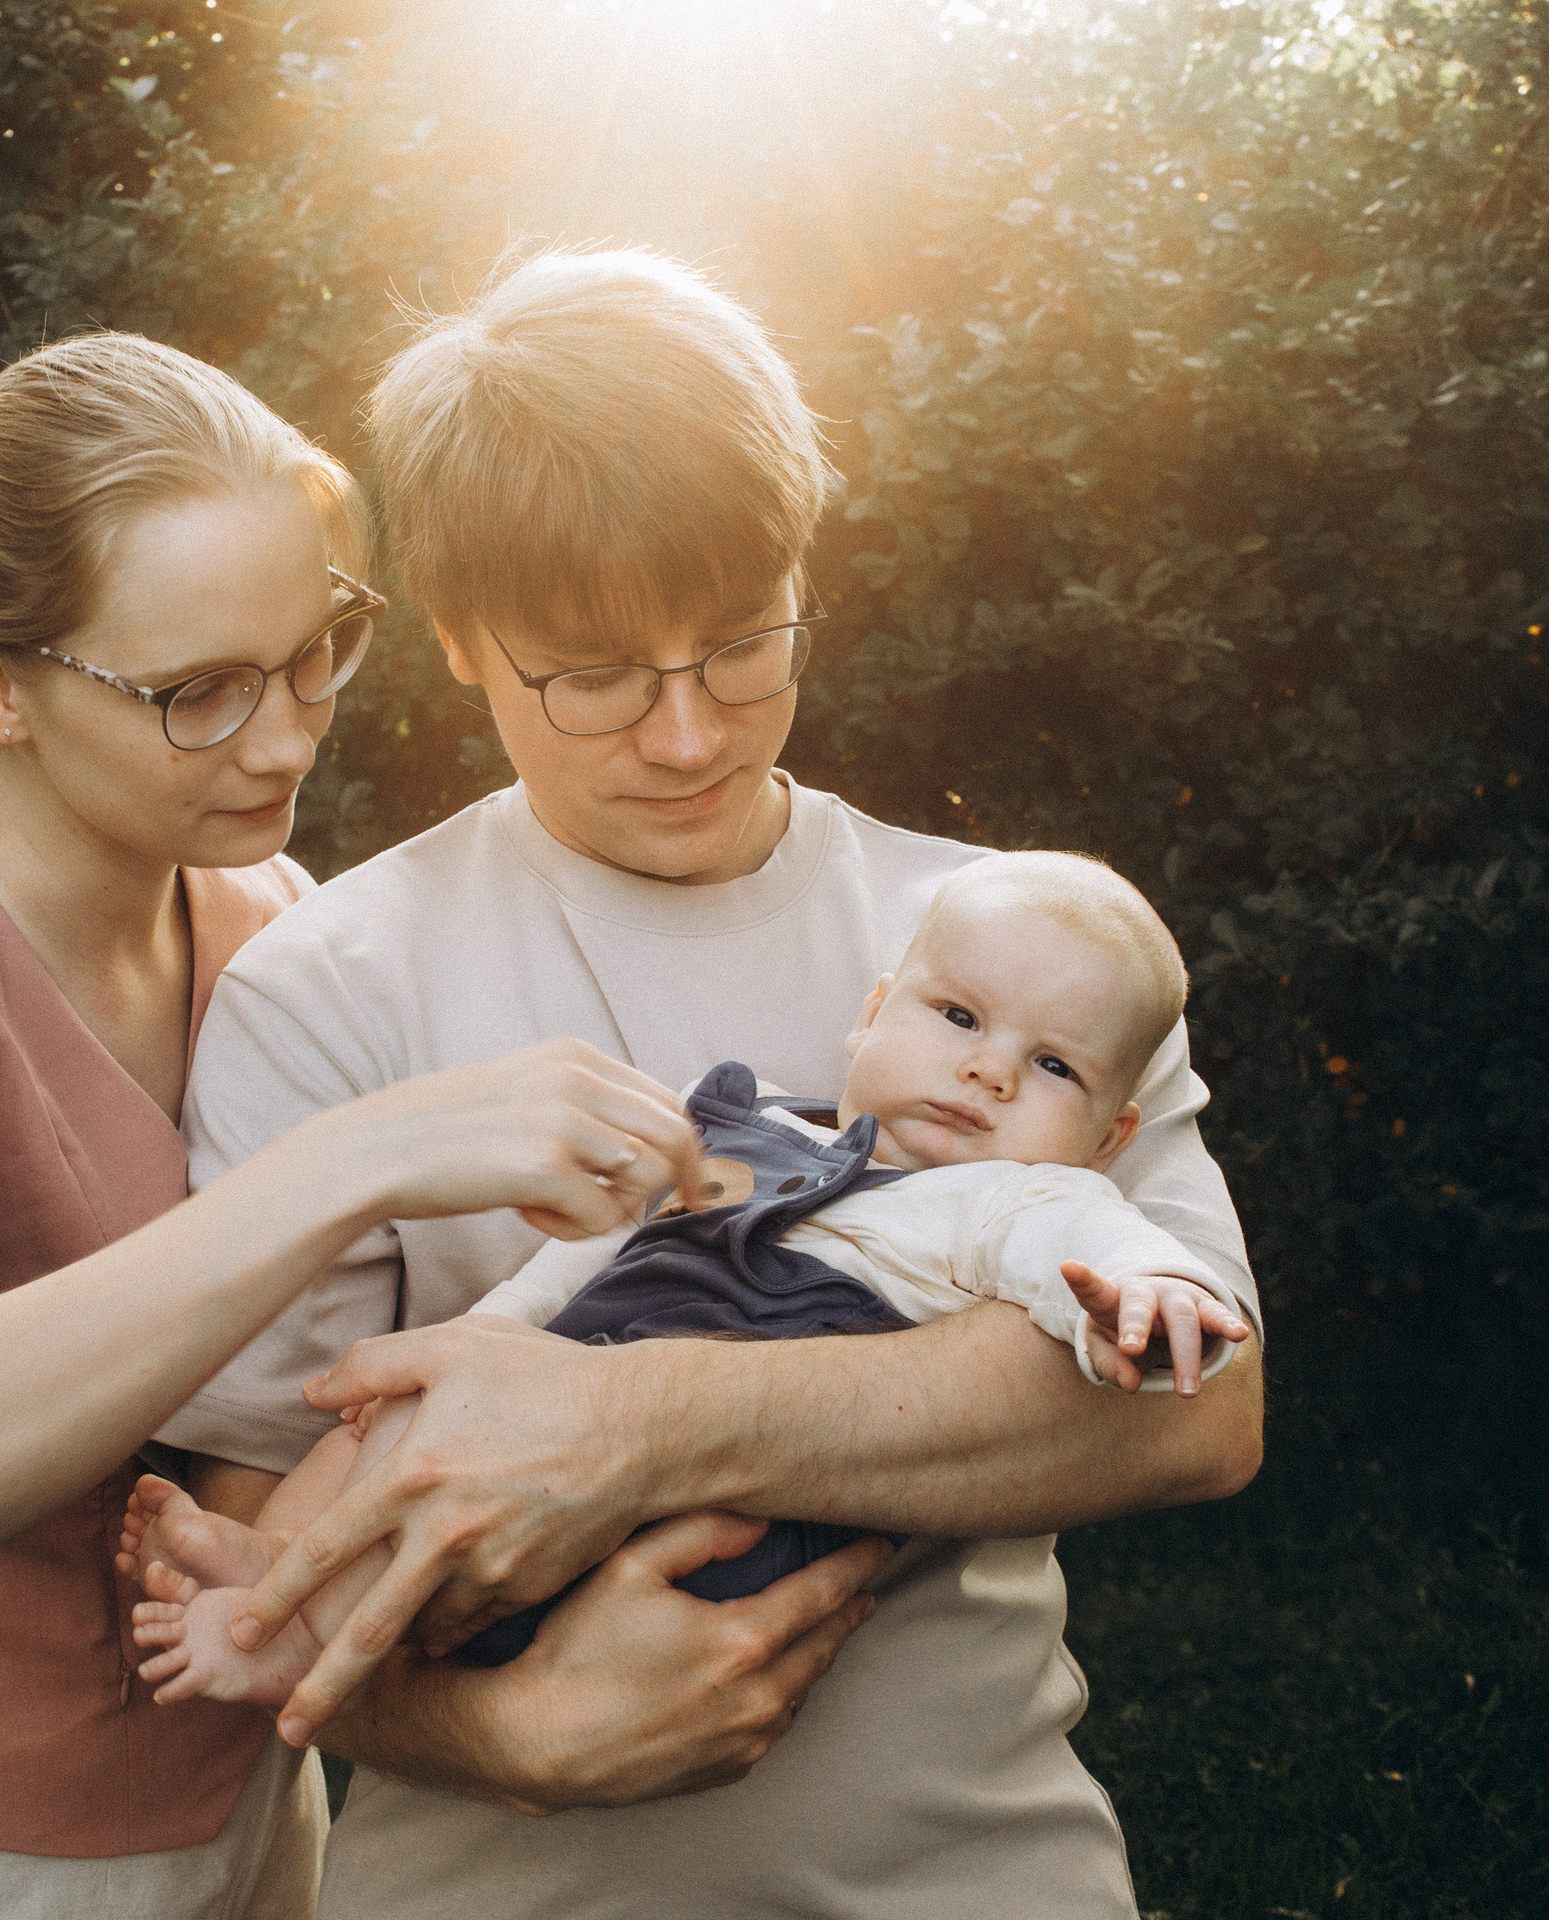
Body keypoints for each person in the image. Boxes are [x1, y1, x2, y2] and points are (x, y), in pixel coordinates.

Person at [152, 251, 1268, 1917]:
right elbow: (250, 1532)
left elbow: (1202, 1411)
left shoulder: (1022, 956)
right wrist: (506, 1731)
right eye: (592, 674)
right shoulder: (331, 988)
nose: (684, 735)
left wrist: (630, 1424)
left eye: (741, 644)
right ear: (455, 641)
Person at [0, 332, 703, 1919]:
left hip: (252, 1804)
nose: (284, 738)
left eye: (314, 653)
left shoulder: (259, 905)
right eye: (197, 692)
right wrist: (359, 1157)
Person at [121, 849, 1255, 1707]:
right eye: (956, 1016)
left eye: (1051, 1066)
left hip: (724, 1509)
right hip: (561, 1372)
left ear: (1110, 1139)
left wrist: (1147, 1294)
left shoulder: (1017, 1199)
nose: (986, 1069)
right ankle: (280, 1572)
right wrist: (482, 1339)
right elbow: (584, 1258)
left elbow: (1095, 1257)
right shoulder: (749, 1123)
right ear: (871, 1014)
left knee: (535, 1525)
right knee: (393, 1420)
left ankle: (319, 1631)